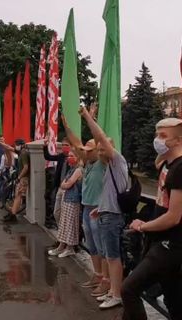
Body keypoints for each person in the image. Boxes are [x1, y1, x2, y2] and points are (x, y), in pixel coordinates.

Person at [121, 118, 182, 320]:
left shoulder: (180, 169)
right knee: (175, 301)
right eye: (156, 135)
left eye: (163, 136)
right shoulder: (167, 163)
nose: (157, 140)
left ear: (178, 140)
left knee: (129, 289)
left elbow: (173, 217)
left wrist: (144, 226)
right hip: (161, 241)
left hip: (171, 245)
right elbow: (158, 161)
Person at [80, 105, 128, 309]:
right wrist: (100, 208)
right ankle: (112, 291)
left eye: (102, 149)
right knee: (110, 256)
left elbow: (99, 136)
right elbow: (111, 194)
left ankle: (116, 294)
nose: (99, 152)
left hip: (113, 218)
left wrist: (87, 117)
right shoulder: (110, 166)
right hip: (106, 213)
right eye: (98, 150)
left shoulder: (116, 160)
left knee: (113, 257)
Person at [62, 113, 109, 298]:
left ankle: (106, 280)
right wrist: (67, 127)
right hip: (87, 208)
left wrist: (90, 118)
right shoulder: (88, 162)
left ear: (98, 150)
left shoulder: (103, 162)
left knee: (102, 247)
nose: (85, 151)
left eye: (90, 148)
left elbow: (100, 139)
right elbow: (76, 144)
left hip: (99, 210)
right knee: (93, 246)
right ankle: (97, 275)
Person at [48, 152, 83, 258]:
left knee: (70, 225)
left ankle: (70, 248)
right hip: (67, 198)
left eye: (73, 156)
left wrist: (65, 184)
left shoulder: (78, 170)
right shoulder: (71, 169)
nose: (69, 158)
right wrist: (65, 184)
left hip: (73, 200)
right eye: (69, 156)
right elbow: (63, 183)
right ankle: (61, 245)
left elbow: (68, 184)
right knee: (64, 223)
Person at [43, 136, 71, 229]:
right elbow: (48, 157)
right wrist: (45, 146)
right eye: (62, 145)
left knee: (66, 212)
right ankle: (61, 229)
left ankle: (64, 233)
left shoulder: (74, 158)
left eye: (66, 145)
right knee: (57, 211)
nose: (64, 147)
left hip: (69, 188)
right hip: (59, 186)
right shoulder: (61, 156)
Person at [1, 139, 30, 223]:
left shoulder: (23, 153)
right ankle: (12, 213)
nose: (15, 146)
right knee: (17, 196)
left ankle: (13, 215)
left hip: (23, 178)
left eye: (16, 144)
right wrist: (1, 143)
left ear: (21, 145)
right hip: (22, 178)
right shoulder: (20, 152)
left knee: (18, 196)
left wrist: (19, 177)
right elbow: (9, 148)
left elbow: (26, 167)